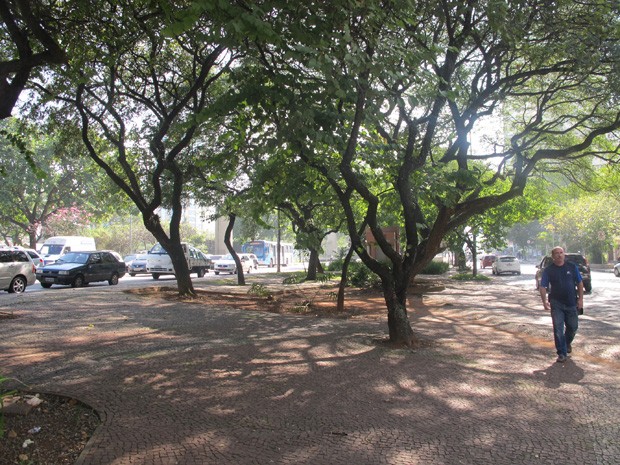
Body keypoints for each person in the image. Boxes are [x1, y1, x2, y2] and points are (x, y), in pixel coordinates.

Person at [539, 246, 584, 363]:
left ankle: (566, 342)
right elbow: (543, 286)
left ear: (564, 254)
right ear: (553, 256)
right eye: (556, 253)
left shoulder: (572, 267)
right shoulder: (549, 270)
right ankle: (561, 353)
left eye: (561, 253)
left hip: (571, 302)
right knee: (558, 329)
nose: (559, 255)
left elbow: (579, 283)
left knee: (573, 327)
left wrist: (581, 300)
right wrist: (544, 301)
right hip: (556, 303)